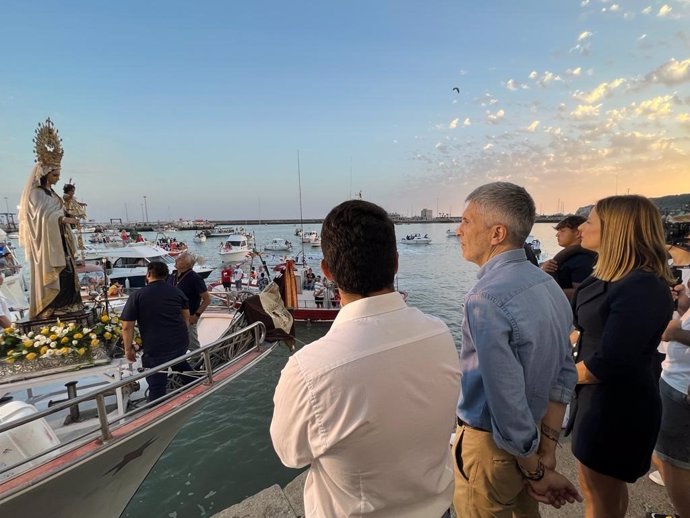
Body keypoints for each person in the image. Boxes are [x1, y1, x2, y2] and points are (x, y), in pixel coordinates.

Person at [271, 200, 461, 518]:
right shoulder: (439, 334)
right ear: (396, 263)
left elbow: (291, 454)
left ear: (328, 271)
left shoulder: (309, 369)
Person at [454, 181, 581, 516]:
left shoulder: (484, 298)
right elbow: (565, 372)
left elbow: (505, 400)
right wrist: (546, 450)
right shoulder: (547, 284)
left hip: (492, 448)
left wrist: (535, 472)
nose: (458, 230)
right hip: (536, 438)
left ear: (497, 233)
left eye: (466, 221)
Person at [570, 195, 674, 518]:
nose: (581, 227)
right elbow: (589, 331)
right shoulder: (613, 277)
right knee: (606, 492)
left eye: (589, 221)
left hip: (615, 409)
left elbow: (609, 363)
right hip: (599, 401)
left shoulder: (640, 286)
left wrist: (555, 376)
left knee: (599, 495)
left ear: (616, 231)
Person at [18, 118, 83, 319]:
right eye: (55, 175)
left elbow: (59, 211)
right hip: (48, 245)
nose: (57, 179)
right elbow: (39, 217)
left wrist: (69, 216)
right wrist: (62, 220)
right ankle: (54, 308)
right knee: (61, 273)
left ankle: (70, 306)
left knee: (70, 272)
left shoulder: (53, 195)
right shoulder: (36, 194)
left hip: (61, 241)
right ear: (46, 173)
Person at [121, 261, 191, 402]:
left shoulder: (137, 296)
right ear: (166, 276)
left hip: (156, 347)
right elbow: (186, 319)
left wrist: (128, 349)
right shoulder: (177, 292)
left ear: (148, 274)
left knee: (157, 385)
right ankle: (200, 386)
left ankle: (155, 412)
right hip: (180, 342)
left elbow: (127, 326)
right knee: (182, 366)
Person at [650, 279, 690, 518]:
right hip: (676, 380)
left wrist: (676, 332)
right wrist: (683, 308)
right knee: (668, 457)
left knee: (670, 460)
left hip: (682, 386)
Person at [540, 215, 596, 300]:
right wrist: (544, 268)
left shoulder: (582, 259)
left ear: (578, 233)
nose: (557, 235)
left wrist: (548, 292)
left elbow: (583, 292)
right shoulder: (570, 257)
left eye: (562, 231)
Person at [173, 252, 210, 350]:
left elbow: (207, 299)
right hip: (173, 317)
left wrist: (196, 316)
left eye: (179, 259)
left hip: (188, 318)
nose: (176, 260)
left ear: (187, 264)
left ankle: (199, 363)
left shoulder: (195, 278)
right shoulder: (173, 276)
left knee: (192, 346)